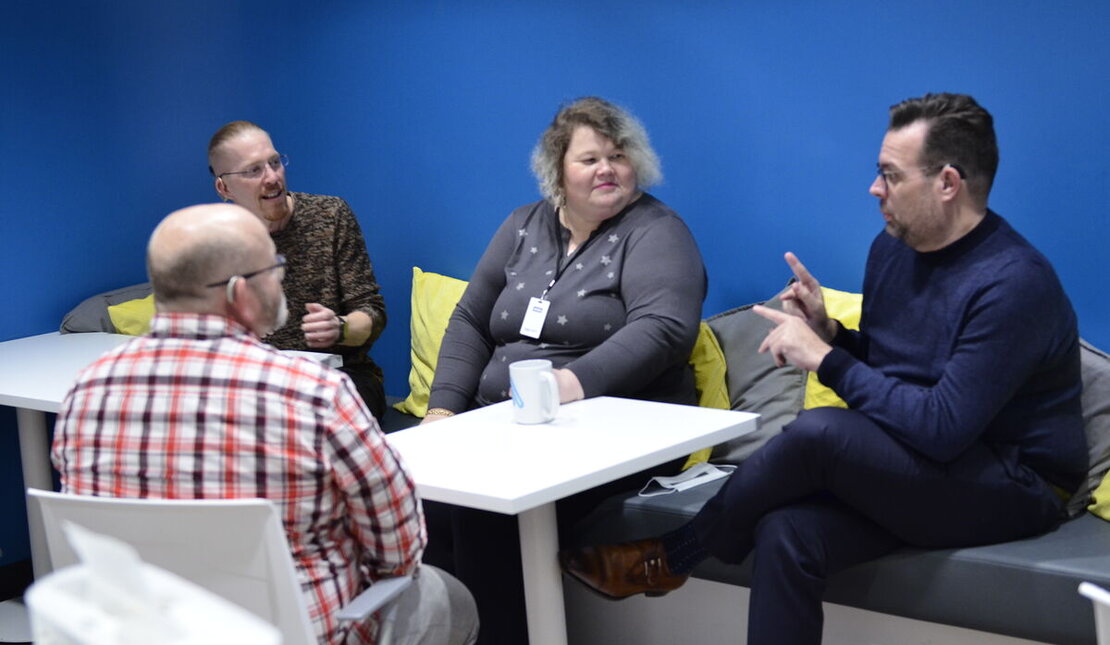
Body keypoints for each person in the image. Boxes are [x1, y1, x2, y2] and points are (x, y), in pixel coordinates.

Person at [559, 93, 1088, 645]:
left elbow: (942, 427)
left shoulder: (1012, 283)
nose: (875, 188)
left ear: (948, 183)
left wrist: (825, 359)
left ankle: (673, 556)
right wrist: (830, 332)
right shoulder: (893, 250)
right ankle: (672, 558)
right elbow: (897, 373)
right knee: (785, 531)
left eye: (891, 175)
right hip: (928, 466)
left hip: (1016, 485)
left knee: (820, 433)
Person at [52, 203, 478, 645]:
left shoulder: (87, 391)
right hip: (297, 633)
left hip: (146, 631)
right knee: (447, 596)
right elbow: (398, 546)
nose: (281, 279)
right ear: (240, 292)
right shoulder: (313, 393)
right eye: (274, 268)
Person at [422, 96, 707, 643]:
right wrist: (442, 411)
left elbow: (665, 329)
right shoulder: (522, 225)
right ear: (557, 170)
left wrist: (562, 387)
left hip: (612, 436)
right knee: (423, 503)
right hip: (502, 426)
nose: (607, 169)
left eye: (618, 156)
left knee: (485, 513)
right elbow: (470, 320)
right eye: (590, 159)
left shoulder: (656, 230)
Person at [208, 121, 389, 421]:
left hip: (341, 379)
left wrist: (340, 327)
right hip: (256, 386)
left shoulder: (330, 215)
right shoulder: (215, 240)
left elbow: (373, 313)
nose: (272, 178)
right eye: (253, 170)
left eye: (274, 162)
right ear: (224, 188)